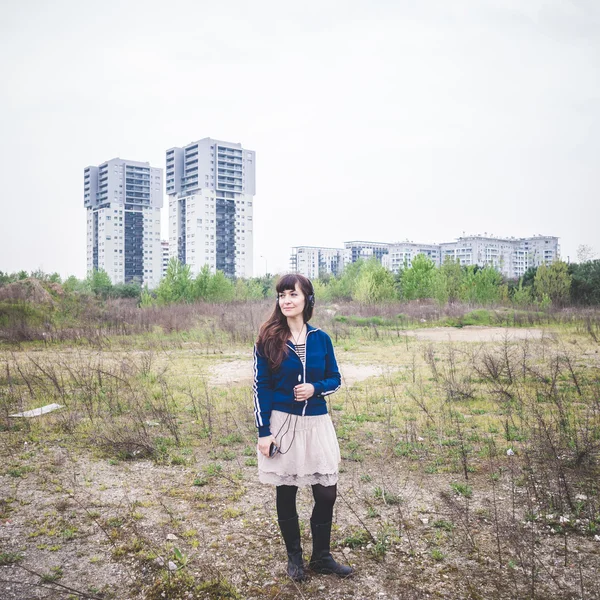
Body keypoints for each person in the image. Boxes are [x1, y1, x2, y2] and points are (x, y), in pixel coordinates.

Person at [253, 273, 354, 581]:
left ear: (307, 299)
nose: (286, 300)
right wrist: (263, 432)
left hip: (317, 422)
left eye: (292, 295)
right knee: (287, 489)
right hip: (283, 424)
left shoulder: (321, 338)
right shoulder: (268, 339)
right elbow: (261, 387)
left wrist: (315, 388)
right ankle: (294, 559)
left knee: (326, 492)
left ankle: (322, 557)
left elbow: (335, 379)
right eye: (282, 295)